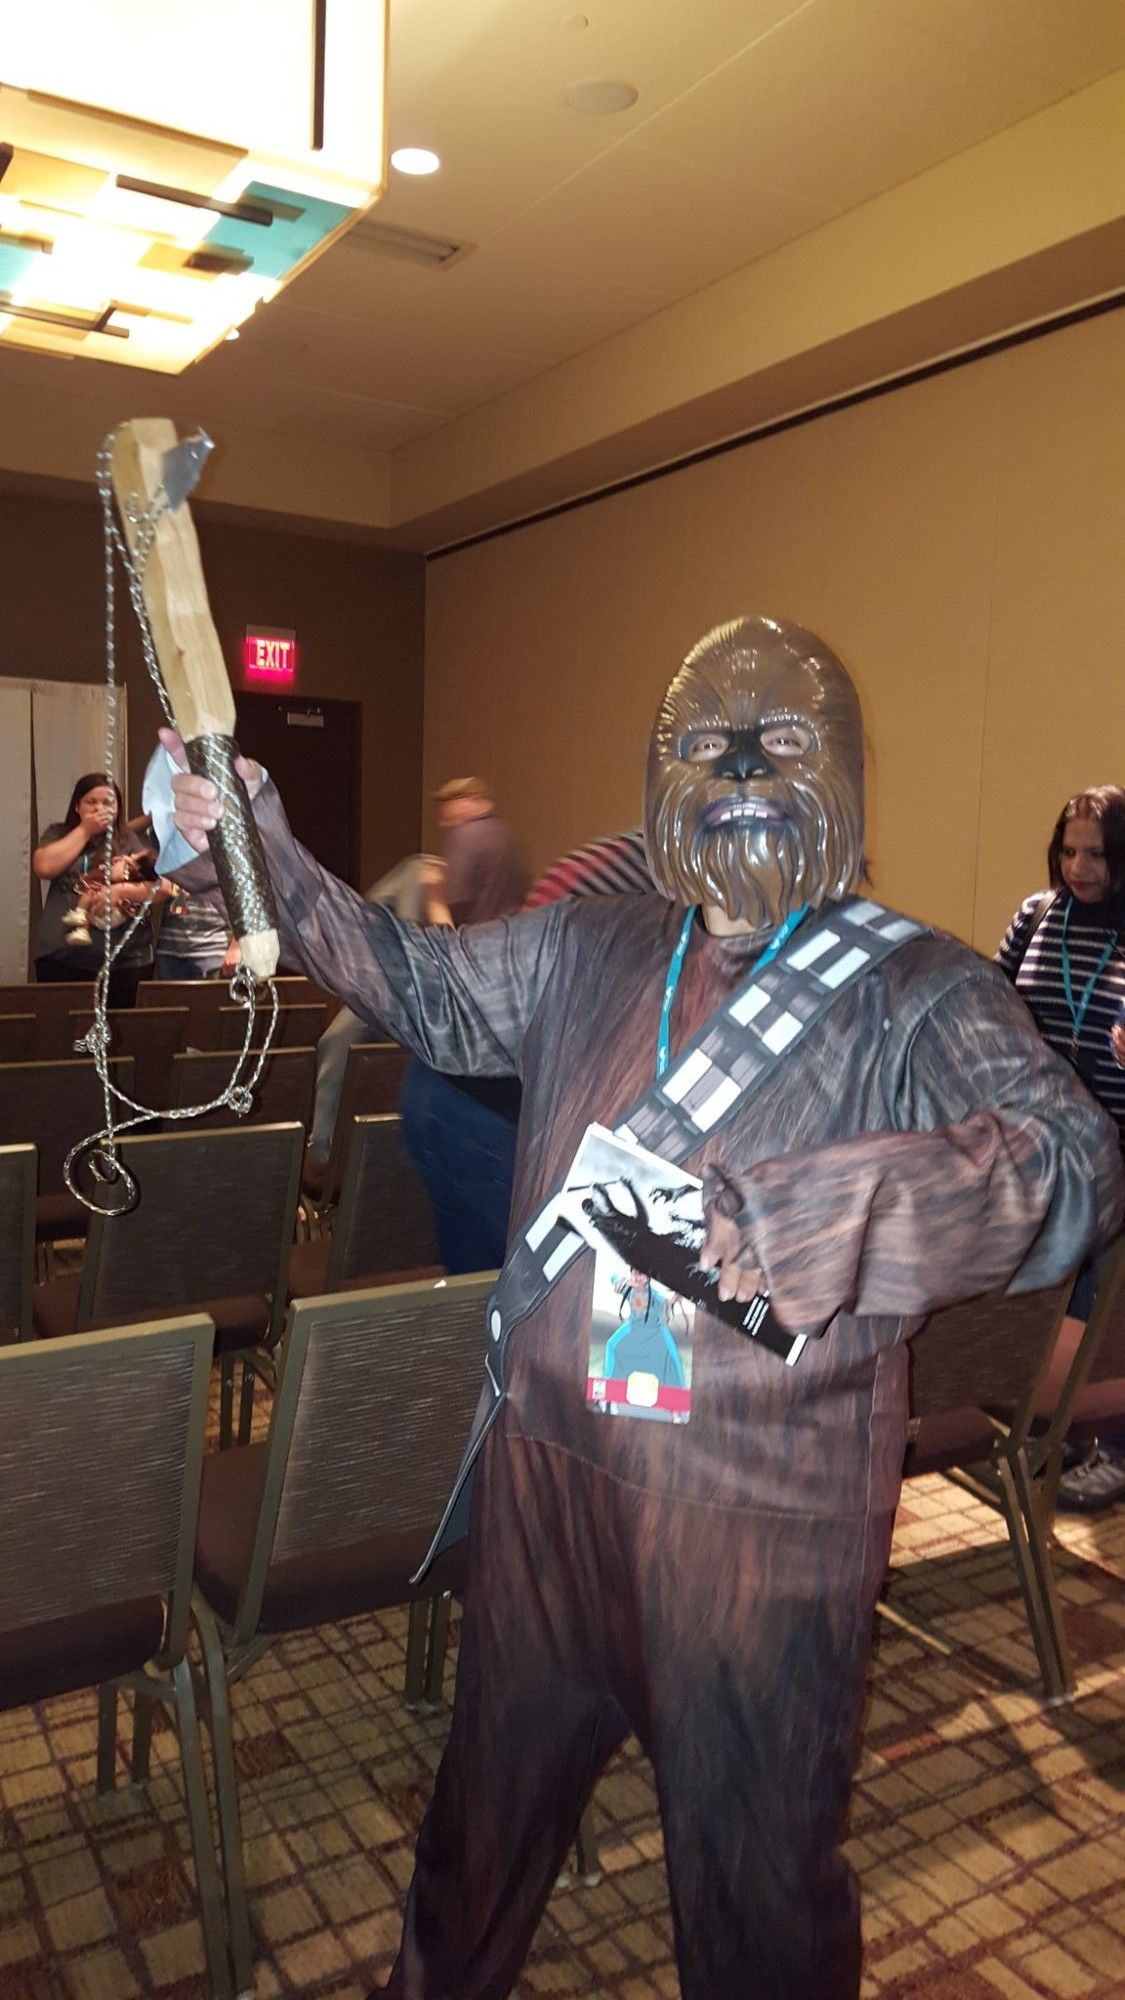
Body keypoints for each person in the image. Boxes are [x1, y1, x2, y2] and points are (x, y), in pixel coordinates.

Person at [164, 615, 1122, 2000]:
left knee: (755, 1898)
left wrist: (845, 1209)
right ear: (653, 769)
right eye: (699, 740)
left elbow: (1073, 1165)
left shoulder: (918, 985)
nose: (736, 763)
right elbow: (420, 986)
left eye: (779, 738)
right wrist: (259, 841)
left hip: (760, 1527)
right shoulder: (591, 946)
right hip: (546, 1486)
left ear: (843, 768)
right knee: (474, 1849)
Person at [997, 783, 1125, 1509]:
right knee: (1045, 1298)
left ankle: (1112, 1443)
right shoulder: (1036, 916)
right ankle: (1052, 1433)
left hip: (1113, 1153)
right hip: (1039, 1148)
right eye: (1068, 850)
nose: (1078, 868)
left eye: (1097, 855)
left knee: (1104, 1307)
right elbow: (990, 998)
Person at [400, 778, 528, 1272]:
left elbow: (445, 929)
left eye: (449, 806)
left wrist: (432, 892)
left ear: (469, 802)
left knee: (412, 875)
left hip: (463, 1021)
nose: (445, 818)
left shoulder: (469, 838)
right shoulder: (505, 842)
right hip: (496, 1002)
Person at [32, 771, 171, 1006]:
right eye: (91, 802)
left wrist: (120, 891)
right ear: (77, 806)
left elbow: (164, 887)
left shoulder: (129, 840)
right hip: (62, 959)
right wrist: (85, 830)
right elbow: (44, 867)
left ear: (117, 807)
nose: (99, 808)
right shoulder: (58, 833)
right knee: (65, 1037)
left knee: (121, 1037)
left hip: (126, 962)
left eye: (108, 802)